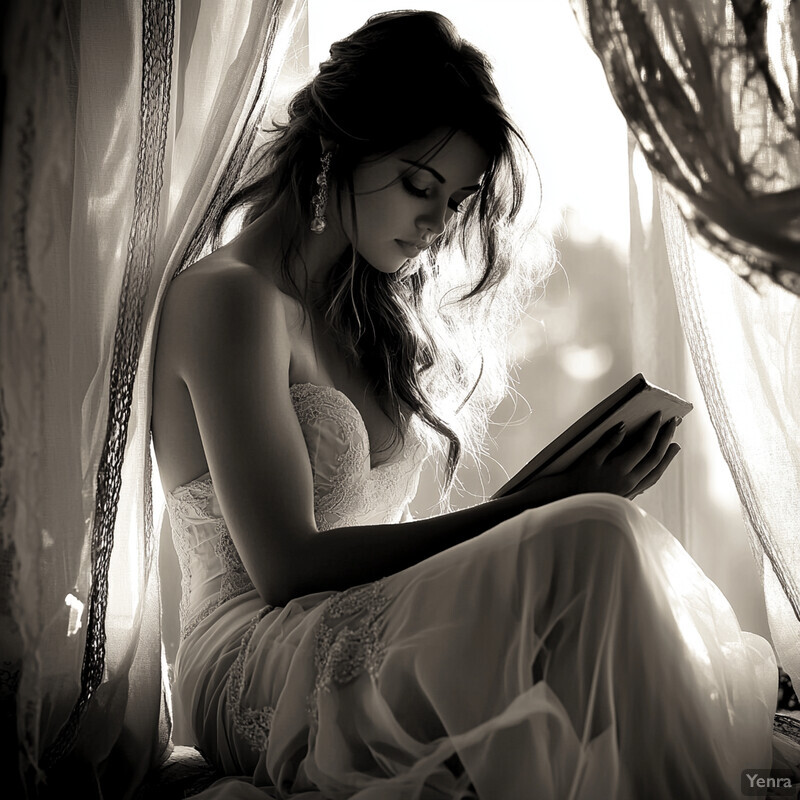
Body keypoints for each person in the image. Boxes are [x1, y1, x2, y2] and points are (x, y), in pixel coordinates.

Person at [151, 11, 777, 799]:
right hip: (250, 655)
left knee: (591, 553)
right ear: (338, 144)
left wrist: (535, 509)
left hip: (343, 621)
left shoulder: (364, 316)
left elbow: (380, 554)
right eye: (420, 184)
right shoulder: (227, 299)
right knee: (594, 533)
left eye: (457, 198)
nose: (438, 221)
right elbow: (286, 567)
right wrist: (543, 509)